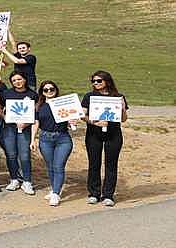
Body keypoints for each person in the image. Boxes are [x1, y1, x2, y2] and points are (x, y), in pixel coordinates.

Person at [81, 70, 128, 207]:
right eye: (93, 81)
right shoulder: (89, 96)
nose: (96, 83)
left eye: (99, 81)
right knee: (94, 164)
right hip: (93, 134)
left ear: (107, 81)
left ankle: (108, 195)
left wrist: (123, 109)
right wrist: (94, 122)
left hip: (113, 134)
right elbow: (82, 115)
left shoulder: (118, 96)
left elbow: (124, 119)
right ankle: (94, 193)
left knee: (111, 165)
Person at [30, 80, 74, 206]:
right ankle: (54, 187)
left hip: (62, 138)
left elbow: (71, 120)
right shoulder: (39, 106)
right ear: (42, 92)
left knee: (58, 166)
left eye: (51, 89)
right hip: (45, 139)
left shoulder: (63, 103)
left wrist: (72, 122)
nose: (49, 91)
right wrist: (33, 139)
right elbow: (36, 123)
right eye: (46, 90)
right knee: (50, 166)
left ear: (56, 90)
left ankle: (56, 193)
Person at [0, 71, 38, 195]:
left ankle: (27, 182)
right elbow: (0, 110)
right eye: (14, 80)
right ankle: (14, 179)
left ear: (25, 79)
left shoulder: (32, 95)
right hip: (9, 128)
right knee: (11, 155)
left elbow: (35, 114)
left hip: (25, 129)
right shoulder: (6, 94)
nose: (17, 82)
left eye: (19, 79)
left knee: (24, 155)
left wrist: (26, 123)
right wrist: (4, 116)